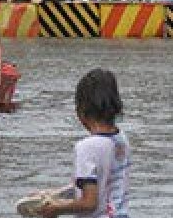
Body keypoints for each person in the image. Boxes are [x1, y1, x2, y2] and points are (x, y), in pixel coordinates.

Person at [34, 68, 130, 218]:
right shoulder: (121, 139)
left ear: (81, 112)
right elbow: (100, 184)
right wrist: (55, 195)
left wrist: (56, 208)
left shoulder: (86, 147)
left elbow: (89, 203)